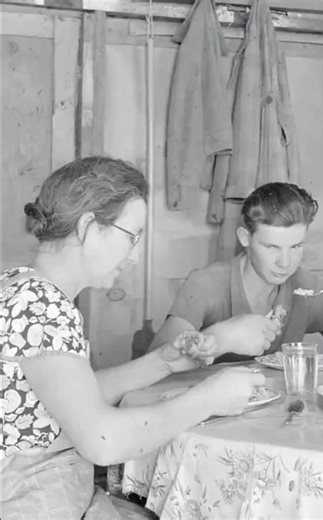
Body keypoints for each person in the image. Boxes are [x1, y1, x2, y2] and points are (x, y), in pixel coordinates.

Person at [0, 156, 267, 519]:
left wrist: (163, 362)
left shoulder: (20, 286)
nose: (136, 256)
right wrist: (208, 399)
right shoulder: (42, 306)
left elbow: (72, 397)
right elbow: (103, 442)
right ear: (88, 227)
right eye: (132, 237)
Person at [150, 182, 323, 360]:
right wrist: (221, 337)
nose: (285, 262)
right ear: (245, 238)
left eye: (295, 246)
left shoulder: (306, 288)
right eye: (271, 247)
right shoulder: (205, 284)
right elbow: (155, 360)